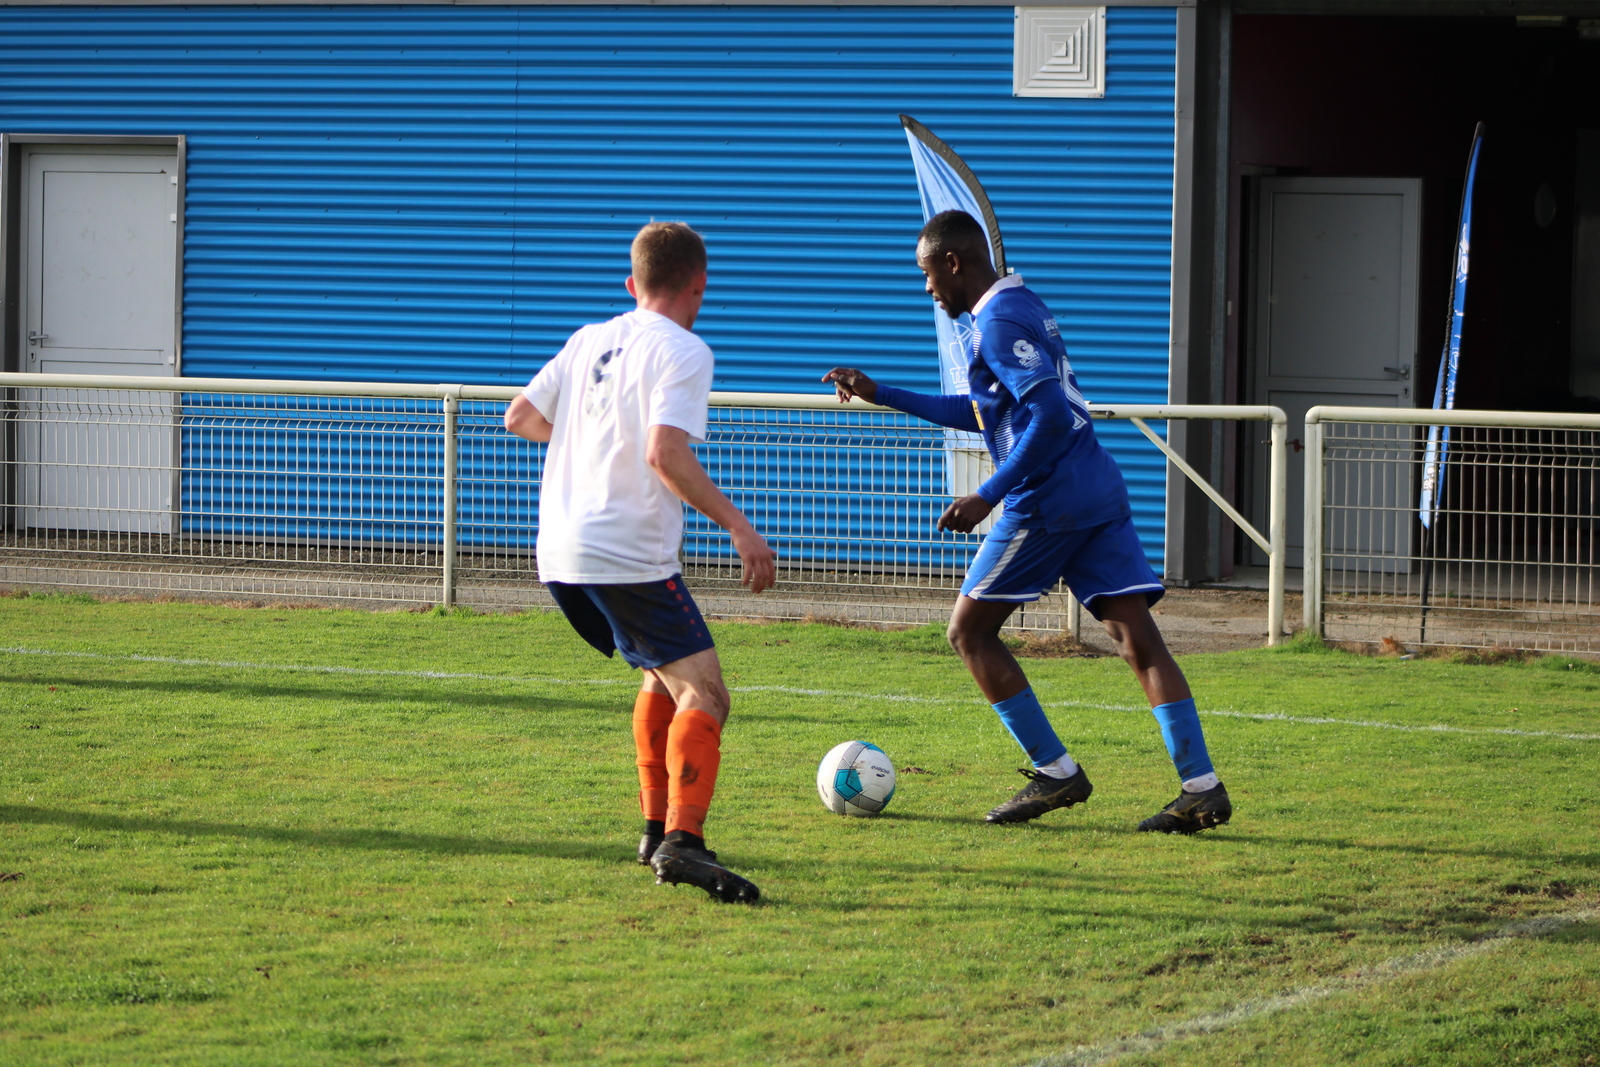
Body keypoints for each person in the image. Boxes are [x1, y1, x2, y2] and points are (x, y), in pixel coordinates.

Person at [823, 209, 1231, 834]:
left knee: (969, 633)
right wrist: (884, 393)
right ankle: (1201, 788)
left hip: (1048, 500)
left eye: (927, 273)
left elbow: (1050, 418)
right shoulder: (1023, 305)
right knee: (1137, 640)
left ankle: (1055, 772)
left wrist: (988, 494)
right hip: (1095, 486)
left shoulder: (997, 322)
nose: (927, 287)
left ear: (953, 262)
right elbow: (984, 410)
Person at [504, 221, 776, 901]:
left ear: (632, 283)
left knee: (660, 675)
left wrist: (591, 446)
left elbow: (519, 417)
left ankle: (656, 831)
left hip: (559, 549)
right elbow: (664, 453)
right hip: (625, 551)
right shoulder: (684, 348)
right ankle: (684, 842)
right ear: (699, 285)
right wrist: (740, 527)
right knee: (706, 693)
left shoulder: (587, 338)